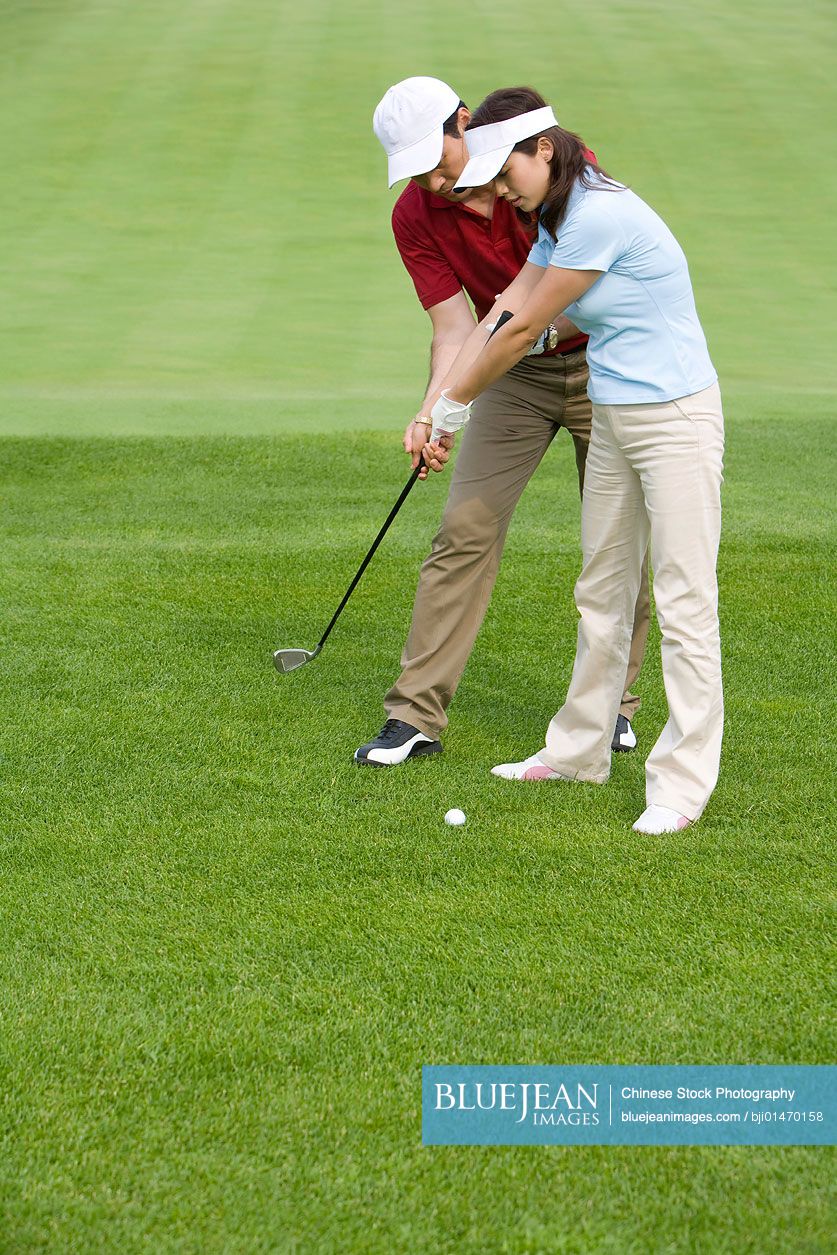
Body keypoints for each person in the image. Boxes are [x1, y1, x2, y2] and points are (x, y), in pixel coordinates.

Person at [422, 87, 724, 834]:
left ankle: (680, 785)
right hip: (618, 413)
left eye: (506, 170)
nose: (497, 187)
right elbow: (503, 304)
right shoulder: (558, 214)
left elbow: (524, 327)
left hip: (675, 417)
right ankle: (578, 751)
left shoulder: (599, 215)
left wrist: (455, 404)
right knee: (601, 586)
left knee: (685, 598)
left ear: (543, 151)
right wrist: (439, 401)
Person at [356, 76, 649, 767]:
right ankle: (414, 715)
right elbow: (454, 326)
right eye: (416, 171)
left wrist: (485, 369)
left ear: (464, 122)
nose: (431, 180)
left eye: (439, 158)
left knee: (614, 540)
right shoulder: (415, 215)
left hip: (606, 365)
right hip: (511, 374)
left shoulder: (548, 165)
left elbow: (588, 288)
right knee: (462, 530)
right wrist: (432, 410)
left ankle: (612, 706)